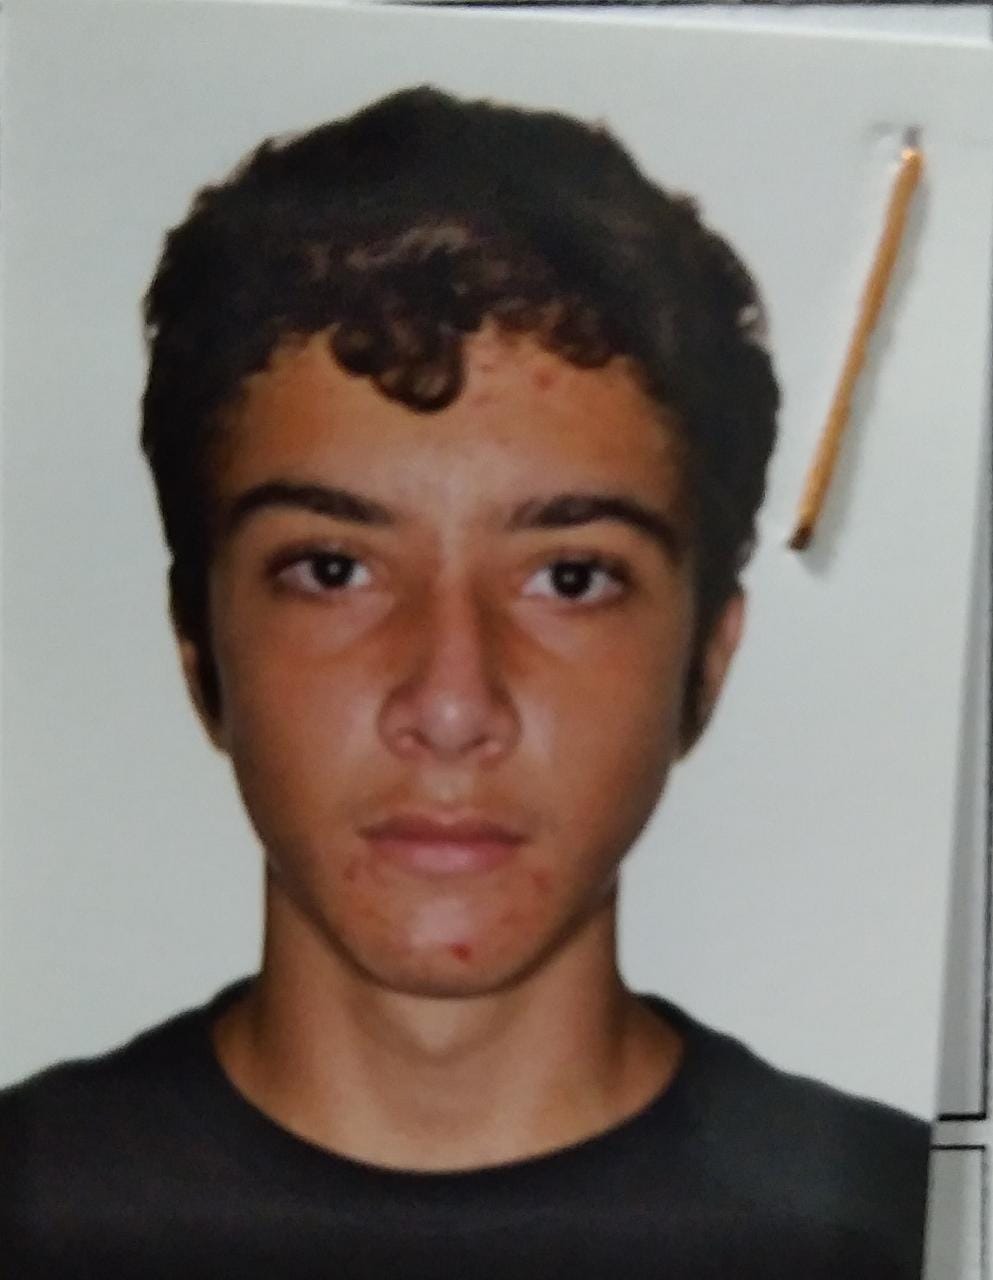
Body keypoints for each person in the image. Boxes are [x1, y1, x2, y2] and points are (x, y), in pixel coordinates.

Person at [0, 87, 929, 1279]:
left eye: (570, 577)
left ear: (707, 659)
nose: (450, 703)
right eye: (334, 569)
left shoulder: (922, 1234)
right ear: (199, 645)